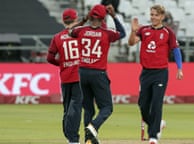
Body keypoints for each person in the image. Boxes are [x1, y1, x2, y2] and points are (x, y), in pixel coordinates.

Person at [69, 4, 126, 144]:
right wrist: (113, 16)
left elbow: (70, 31)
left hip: (82, 73)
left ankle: (88, 140)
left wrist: (84, 19)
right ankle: (93, 126)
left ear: (91, 16)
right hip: (98, 73)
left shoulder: (81, 30)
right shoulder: (107, 33)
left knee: (88, 109)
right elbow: (123, 33)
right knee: (107, 108)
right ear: (102, 18)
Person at [128, 4, 183, 144]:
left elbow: (175, 50)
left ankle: (153, 136)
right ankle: (157, 124)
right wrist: (133, 31)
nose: (153, 17)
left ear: (162, 17)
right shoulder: (143, 30)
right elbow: (131, 43)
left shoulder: (168, 32)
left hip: (160, 72)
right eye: (151, 14)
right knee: (142, 104)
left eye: (156, 15)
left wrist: (179, 68)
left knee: (157, 103)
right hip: (146, 72)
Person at [46, 8, 85, 144]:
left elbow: (50, 57)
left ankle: (69, 135)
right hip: (80, 76)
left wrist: (62, 64)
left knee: (67, 107)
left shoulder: (57, 37)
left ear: (63, 21)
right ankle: (73, 139)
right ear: (75, 19)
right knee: (76, 108)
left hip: (65, 76)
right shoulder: (82, 34)